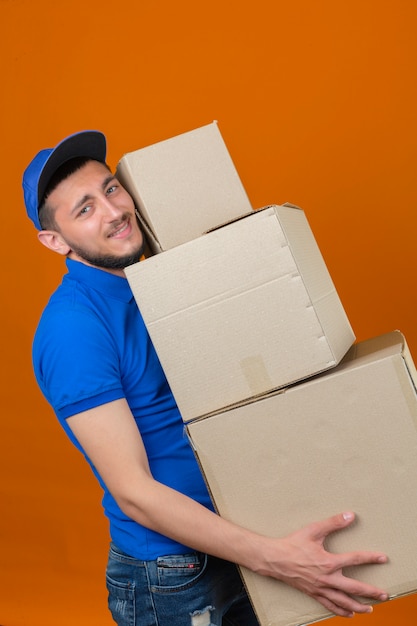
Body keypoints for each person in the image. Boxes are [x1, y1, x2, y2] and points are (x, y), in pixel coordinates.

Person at [22, 130, 388, 626]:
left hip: (238, 534)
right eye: (83, 209)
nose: (113, 212)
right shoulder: (74, 328)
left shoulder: (166, 287)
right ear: (55, 240)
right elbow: (134, 492)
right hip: (173, 572)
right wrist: (270, 557)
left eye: (111, 189)